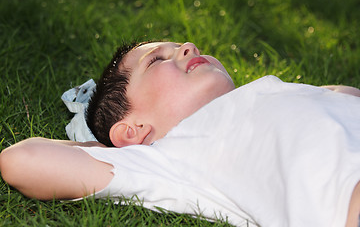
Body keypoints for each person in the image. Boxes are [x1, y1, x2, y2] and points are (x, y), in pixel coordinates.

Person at [1, 41, 360, 227]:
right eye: (157, 60)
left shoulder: (276, 91)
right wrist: (108, 148)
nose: (189, 46)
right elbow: (22, 160)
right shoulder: (173, 155)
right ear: (135, 130)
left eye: (180, 47)